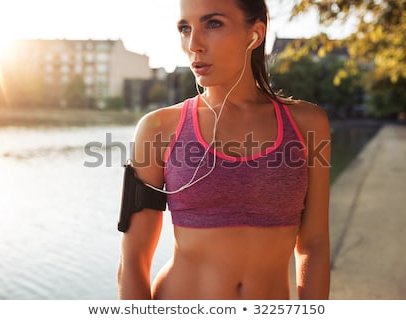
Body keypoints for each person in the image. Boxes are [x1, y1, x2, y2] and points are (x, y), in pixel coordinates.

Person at [117, 0, 330, 300]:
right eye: (184, 28)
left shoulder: (307, 124)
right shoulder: (158, 128)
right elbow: (133, 258)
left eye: (213, 24)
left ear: (254, 34)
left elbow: (315, 245)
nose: (194, 44)